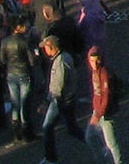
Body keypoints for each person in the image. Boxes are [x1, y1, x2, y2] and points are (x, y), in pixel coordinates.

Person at [39, 35, 85, 163]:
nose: (44, 51)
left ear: (51, 48)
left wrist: (45, 103)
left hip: (60, 101)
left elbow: (57, 88)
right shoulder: (65, 56)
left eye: (46, 48)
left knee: (47, 127)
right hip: (69, 98)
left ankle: (50, 158)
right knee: (72, 128)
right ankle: (94, 141)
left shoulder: (59, 62)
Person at [86, 47, 120, 164]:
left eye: (97, 60)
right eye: (92, 61)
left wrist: (98, 113)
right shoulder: (95, 72)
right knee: (90, 136)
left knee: (111, 143)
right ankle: (104, 159)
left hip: (105, 113)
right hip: (98, 111)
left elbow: (106, 96)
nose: (94, 64)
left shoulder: (104, 73)